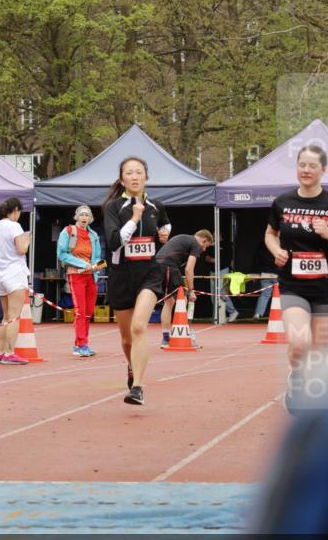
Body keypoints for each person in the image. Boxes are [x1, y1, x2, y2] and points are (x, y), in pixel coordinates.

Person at [264, 144, 328, 405]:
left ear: (323, 170)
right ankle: (296, 378)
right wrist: (276, 250)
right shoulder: (282, 202)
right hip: (293, 286)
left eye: (312, 166)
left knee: (320, 350)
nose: (306, 170)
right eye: (302, 165)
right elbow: (270, 233)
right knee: (299, 341)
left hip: (326, 289)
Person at [102, 156, 171, 406]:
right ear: (122, 179)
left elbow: (165, 223)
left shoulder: (156, 205)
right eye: (129, 173)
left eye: (138, 172)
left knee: (140, 327)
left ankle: (138, 388)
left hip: (149, 274)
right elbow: (113, 242)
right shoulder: (113, 207)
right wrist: (133, 218)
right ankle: (132, 367)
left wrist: (165, 233)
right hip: (121, 275)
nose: (134, 176)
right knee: (127, 338)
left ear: (146, 177)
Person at [56, 205, 103, 357]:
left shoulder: (94, 235)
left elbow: (97, 257)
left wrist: (97, 266)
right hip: (76, 275)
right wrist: (83, 264)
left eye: (87, 215)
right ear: (76, 217)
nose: (84, 218)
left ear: (90, 219)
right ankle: (82, 344)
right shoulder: (68, 231)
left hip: (91, 276)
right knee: (80, 311)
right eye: (81, 215)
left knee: (89, 312)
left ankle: (80, 344)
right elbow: (62, 254)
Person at [0, 197, 31, 364]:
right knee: (14, 316)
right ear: (15, 210)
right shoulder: (15, 226)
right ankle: (9, 352)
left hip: (0, 274)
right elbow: (21, 250)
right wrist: (27, 239)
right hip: (15, 272)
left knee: (6, 316)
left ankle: (0, 351)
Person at [158, 230, 214, 348]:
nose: (204, 250)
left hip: (157, 266)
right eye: (206, 246)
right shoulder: (195, 244)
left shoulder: (184, 237)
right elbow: (189, 269)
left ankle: (166, 338)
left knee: (169, 301)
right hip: (169, 266)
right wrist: (191, 290)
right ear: (204, 240)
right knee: (182, 300)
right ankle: (183, 335)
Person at [204, 233, 239, 322]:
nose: (214, 236)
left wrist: (215, 260)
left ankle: (233, 312)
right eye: (213, 235)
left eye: (216, 234)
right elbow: (205, 257)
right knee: (213, 294)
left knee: (221, 292)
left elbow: (228, 258)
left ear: (220, 235)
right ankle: (218, 315)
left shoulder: (226, 245)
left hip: (223, 270)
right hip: (212, 271)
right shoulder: (209, 245)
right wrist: (211, 260)